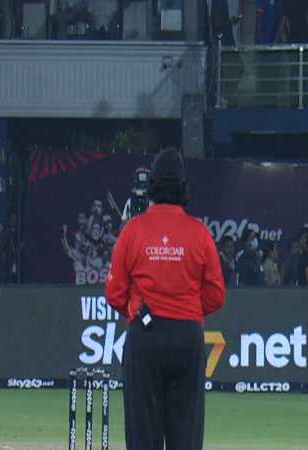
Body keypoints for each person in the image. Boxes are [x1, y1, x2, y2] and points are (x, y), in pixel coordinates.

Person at [105, 149, 226, 450]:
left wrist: (135, 309)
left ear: (151, 187)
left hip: (145, 337)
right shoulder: (199, 234)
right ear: (184, 187)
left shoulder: (133, 231)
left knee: (142, 434)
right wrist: (189, 311)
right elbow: (216, 295)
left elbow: (114, 292)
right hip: (186, 337)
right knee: (185, 433)